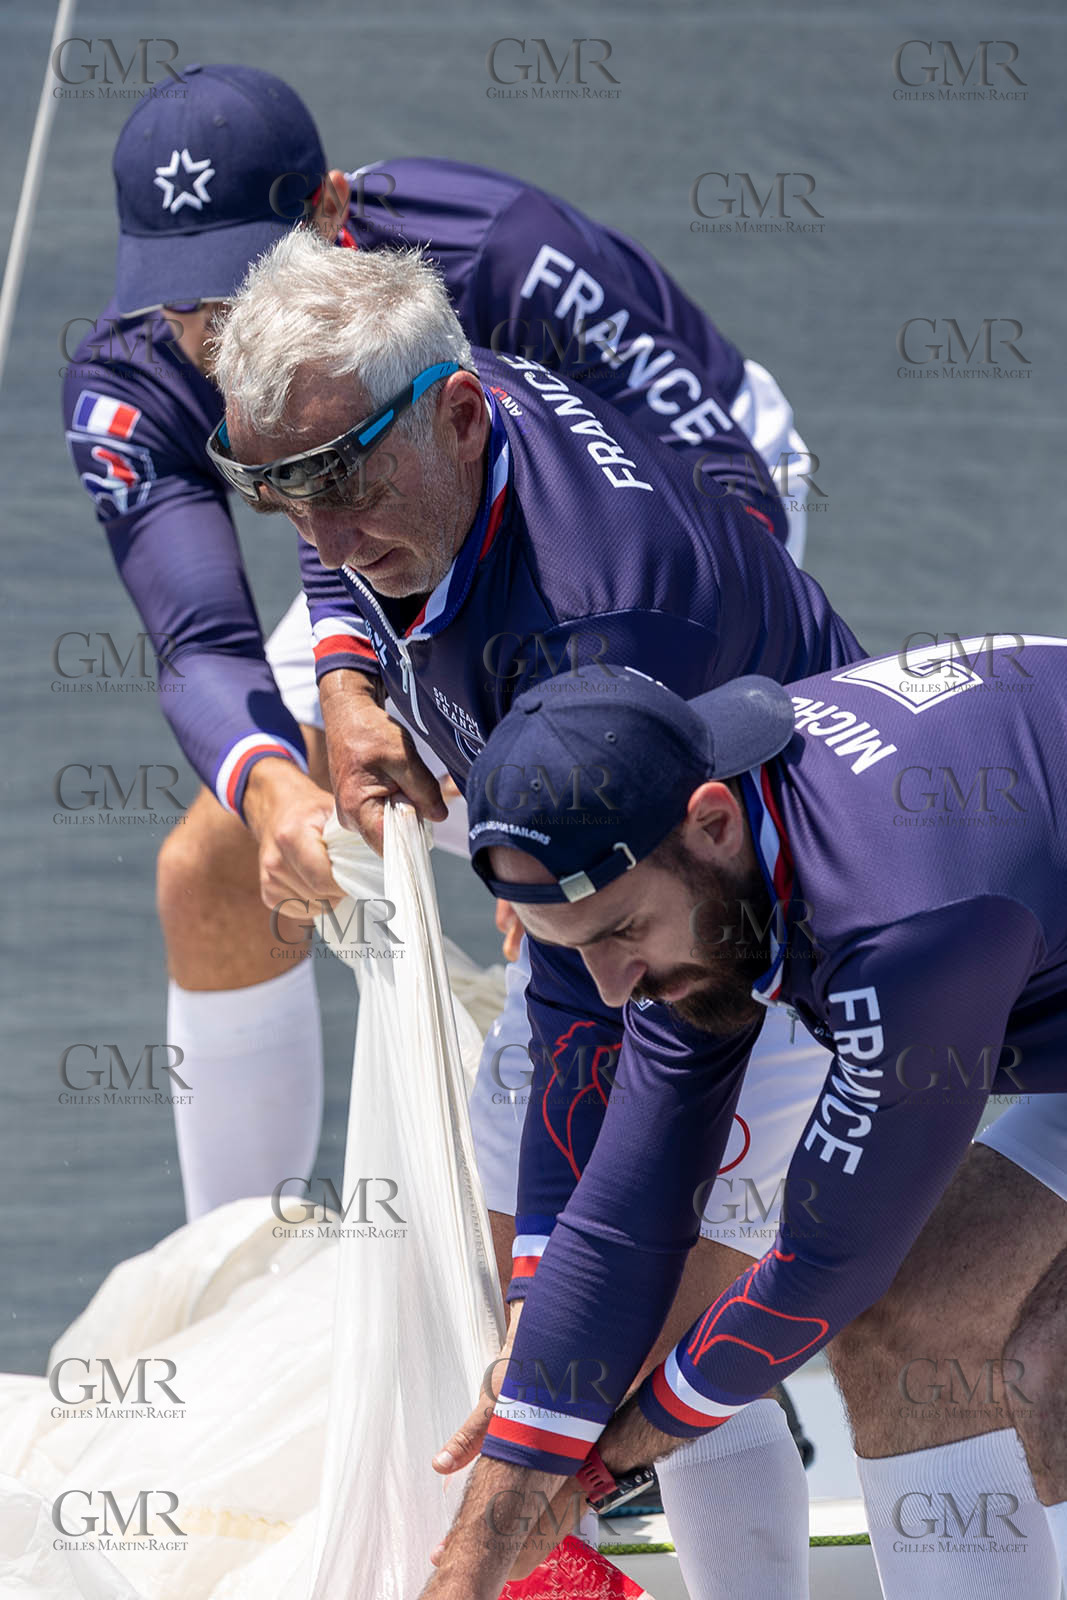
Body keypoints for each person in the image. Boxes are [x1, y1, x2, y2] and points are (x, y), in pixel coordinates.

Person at [212, 231, 863, 1599]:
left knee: (640, 1318)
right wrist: (344, 679)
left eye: (341, 487)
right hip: (605, 868)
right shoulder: (423, 409)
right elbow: (341, 545)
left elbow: (604, 996)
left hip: (762, 928)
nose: (323, 537)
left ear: (454, 417)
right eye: (282, 500)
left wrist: (555, 1314)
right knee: (536, 1287)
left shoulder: (596, 617)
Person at [61, 62, 811, 1228]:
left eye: (240, 285)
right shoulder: (130, 375)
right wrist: (280, 782)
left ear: (328, 211)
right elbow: (204, 639)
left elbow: (725, 498)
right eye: (181, 302)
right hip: (377, 516)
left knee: (579, 881)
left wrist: (559, 770)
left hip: (656, 494)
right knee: (213, 864)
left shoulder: (503, 250)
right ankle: (238, 1267)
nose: (215, 336)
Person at [419, 640, 1067, 1600]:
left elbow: (824, 1266)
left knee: (1042, 1362)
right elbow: (622, 1226)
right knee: (912, 1318)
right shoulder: (701, 846)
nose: (613, 987)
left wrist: (593, 1472)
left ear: (710, 823)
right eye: (576, 951)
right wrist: (490, 1526)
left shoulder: (899, 926)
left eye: (620, 935)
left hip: (964, 916)